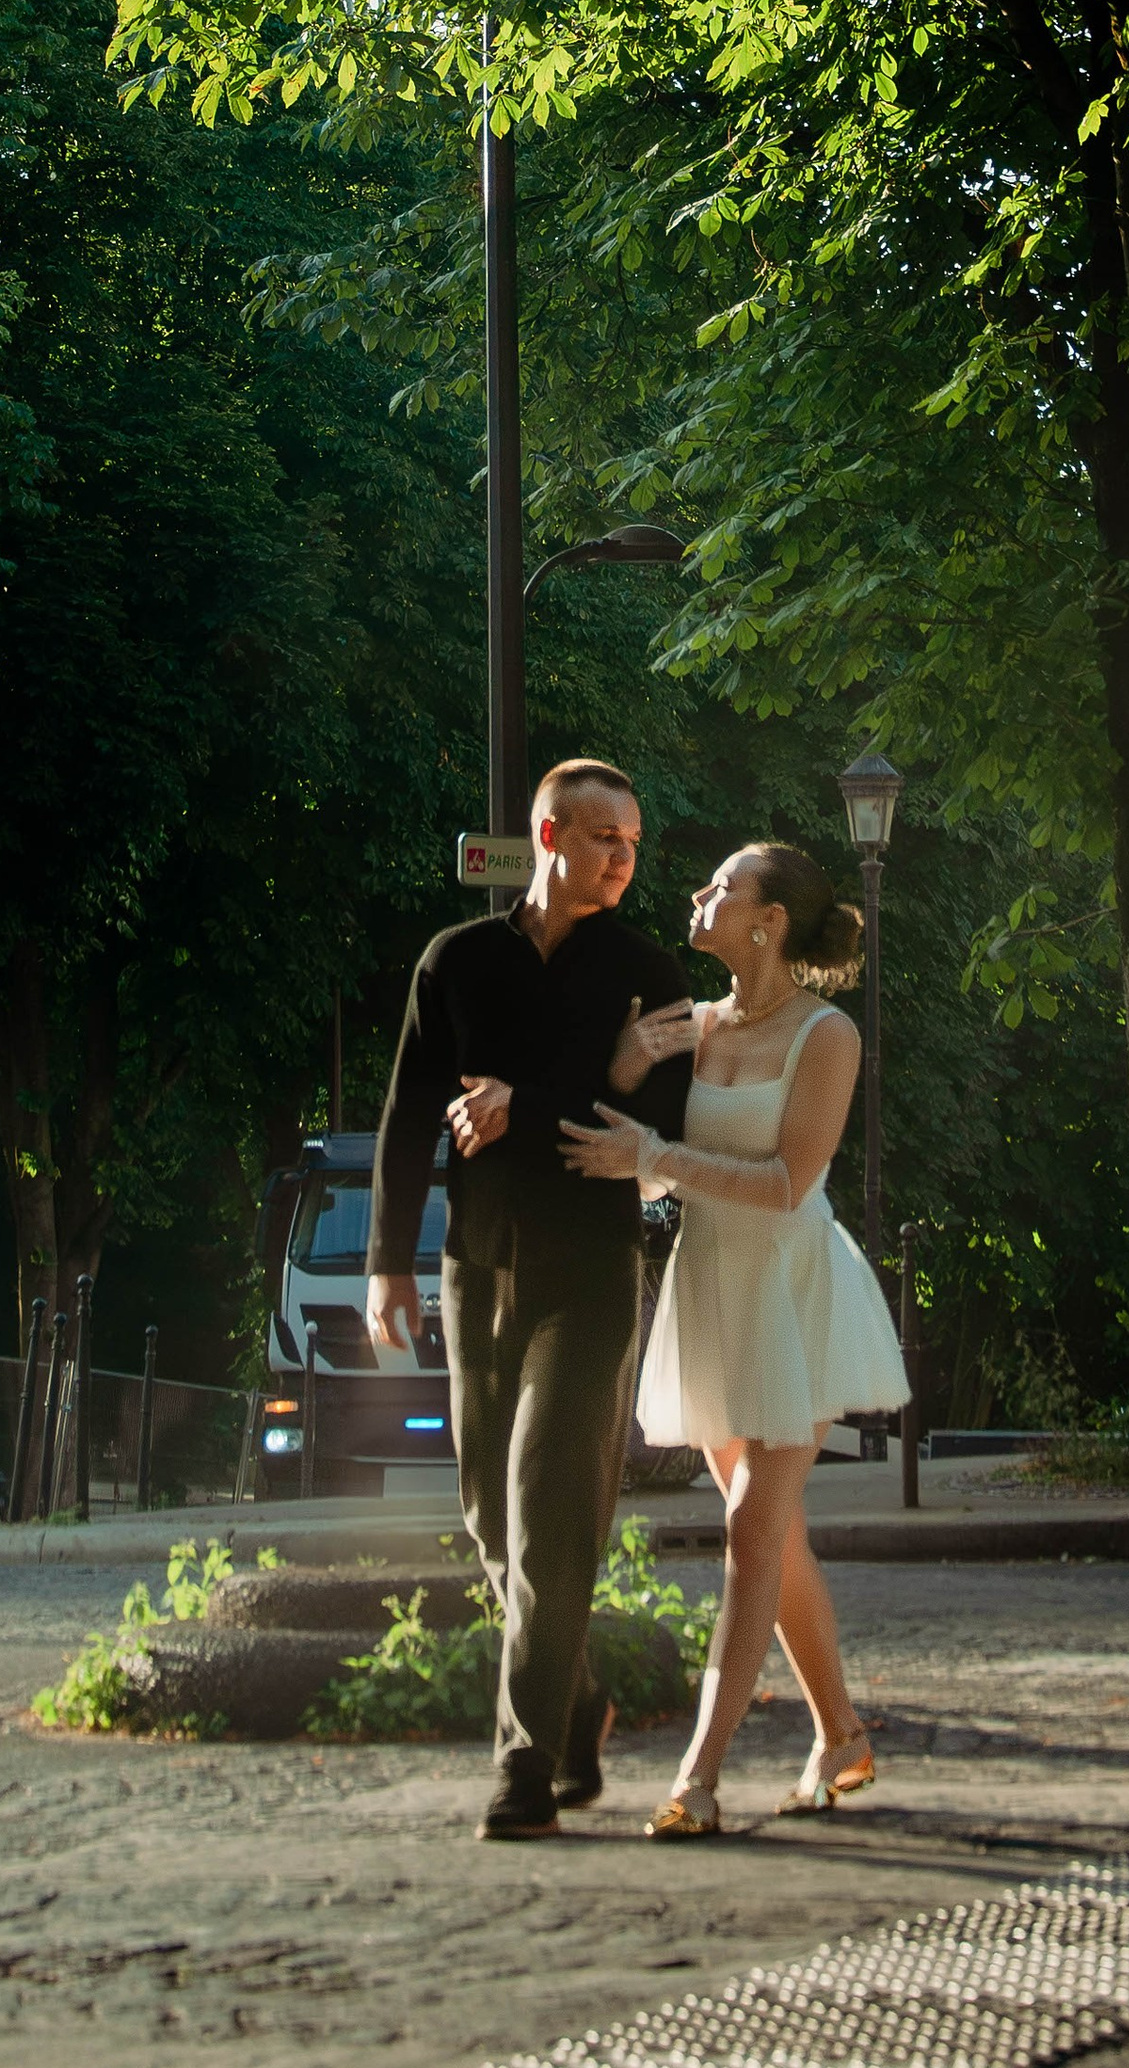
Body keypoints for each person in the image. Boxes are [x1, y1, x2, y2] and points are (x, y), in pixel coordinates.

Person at [368, 758, 696, 1840]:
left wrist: (540, 1099)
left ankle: (524, 1760)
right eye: (606, 838)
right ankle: (578, 1696)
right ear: (549, 835)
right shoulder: (454, 960)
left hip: (592, 1271)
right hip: (476, 1263)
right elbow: (409, 1112)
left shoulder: (649, 973)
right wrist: (387, 1261)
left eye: (633, 842)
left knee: (552, 1501)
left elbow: (667, 1132)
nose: (624, 859)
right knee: (488, 1513)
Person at [561, 837, 907, 1837]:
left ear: (768, 921)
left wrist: (658, 1154)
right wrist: (627, 1087)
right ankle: (841, 1734)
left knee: (752, 1529)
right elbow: (644, 1160)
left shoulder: (828, 1035)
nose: (698, 893)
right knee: (773, 1534)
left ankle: (697, 1777)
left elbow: (790, 1182)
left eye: (722, 886)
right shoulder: (693, 1026)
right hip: (710, 1285)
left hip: (793, 1291)